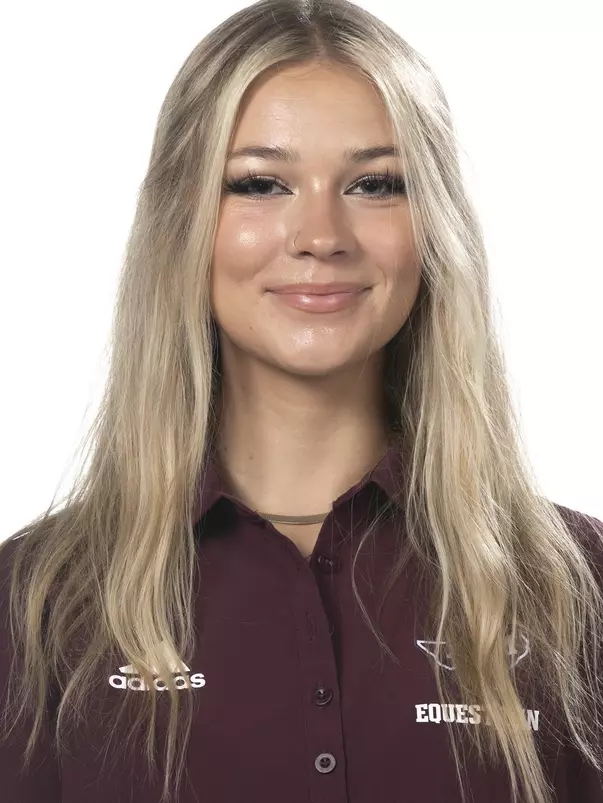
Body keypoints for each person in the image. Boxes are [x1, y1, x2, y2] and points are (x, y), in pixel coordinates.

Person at [1, 1, 602, 802]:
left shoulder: (575, 589)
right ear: (183, 221)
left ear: (433, 227)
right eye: (260, 183)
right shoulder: (36, 600)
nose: (320, 233)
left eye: (374, 183)